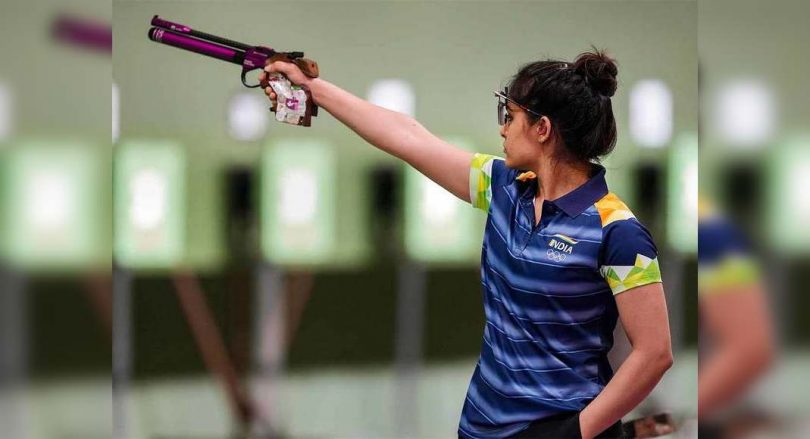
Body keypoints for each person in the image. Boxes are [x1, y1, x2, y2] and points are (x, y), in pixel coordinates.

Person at [259, 49, 673, 439]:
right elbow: (408, 136)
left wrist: (575, 433)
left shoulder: (618, 232)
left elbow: (654, 353)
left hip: (559, 425)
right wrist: (313, 88)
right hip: (481, 425)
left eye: (509, 115)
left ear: (543, 129)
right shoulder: (504, 188)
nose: (502, 128)